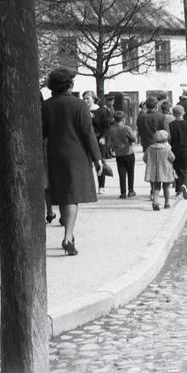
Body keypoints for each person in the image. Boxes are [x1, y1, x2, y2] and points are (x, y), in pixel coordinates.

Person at [42, 68, 103, 256]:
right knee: (72, 196)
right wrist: (97, 158)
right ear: (69, 85)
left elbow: (42, 132)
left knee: (62, 193)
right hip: (76, 155)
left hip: (54, 154)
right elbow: (88, 133)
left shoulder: (46, 105)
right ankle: (68, 237)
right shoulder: (79, 105)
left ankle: (69, 233)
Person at [83, 91, 114, 194]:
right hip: (85, 140)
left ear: (94, 98)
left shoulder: (102, 111)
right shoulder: (82, 111)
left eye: (88, 98)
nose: (86, 100)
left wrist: (104, 137)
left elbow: (107, 126)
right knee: (86, 164)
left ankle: (101, 186)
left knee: (99, 163)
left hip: (98, 139)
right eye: (84, 98)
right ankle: (87, 186)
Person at [105, 110, 137, 198]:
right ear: (123, 119)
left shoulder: (111, 129)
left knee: (121, 173)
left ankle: (123, 192)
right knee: (131, 172)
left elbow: (109, 143)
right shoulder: (127, 128)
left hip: (119, 154)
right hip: (129, 152)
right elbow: (134, 139)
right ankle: (131, 191)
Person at [169, 106, 187, 200]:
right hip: (186, 149)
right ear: (183, 113)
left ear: (173, 114)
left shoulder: (171, 125)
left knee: (177, 169)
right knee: (186, 170)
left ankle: (178, 190)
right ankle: (184, 186)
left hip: (175, 149)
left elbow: (170, 138)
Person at [144, 129, 175, 210]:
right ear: (165, 139)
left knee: (156, 187)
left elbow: (145, 159)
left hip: (155, 171)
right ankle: (167, 203)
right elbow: (172, 158)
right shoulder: (167, 149)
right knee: (166, 187)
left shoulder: (150, 148)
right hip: (165, 170)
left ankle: (155, 201)